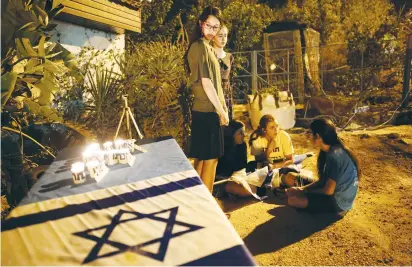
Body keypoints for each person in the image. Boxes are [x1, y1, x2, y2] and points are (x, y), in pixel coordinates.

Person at [184, 6, 229, 193]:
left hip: (205, 110)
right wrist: (221, 111)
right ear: (200, 24)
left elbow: (217, 84)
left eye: (216, 27)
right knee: (210, 160)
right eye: (209, 26)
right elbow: (207, 84)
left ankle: (199, 204)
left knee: (203, 160)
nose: (212, 31)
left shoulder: (208, 47)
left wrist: (222, 108)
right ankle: (209, 209)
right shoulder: (200, 47)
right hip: (207, 111)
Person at [286, 118, 361, 213]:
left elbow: (328, 191)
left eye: (310, 133)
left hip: (338, 202)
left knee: (293, 200)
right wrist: (301, 189)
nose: (308, 136)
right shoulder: (330, 150)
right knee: (290, 177)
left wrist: (303, 192)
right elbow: (323, 181)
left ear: (317, 136)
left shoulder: (334, 156)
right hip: (332, 190)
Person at [212, 24, 234, 121]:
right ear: (213, 37)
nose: (223, 39)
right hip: (212, 93)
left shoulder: (229, 56)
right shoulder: (209, 55)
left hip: (226, 94)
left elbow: (231, 79)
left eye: (225, 35)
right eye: (220, 36)